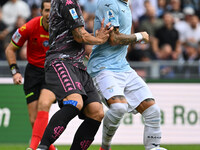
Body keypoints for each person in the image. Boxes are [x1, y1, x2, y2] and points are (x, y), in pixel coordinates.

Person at [87, 0, 164, 150]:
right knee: (118, 108)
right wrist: (139, 36)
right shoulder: (109, 3)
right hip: (103, 67)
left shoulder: (124, 5)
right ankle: (105, 147)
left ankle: (153, 148)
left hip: (123, 67)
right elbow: (114, 39)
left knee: (153, 111)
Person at [36, 0, 113, 149]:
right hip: (60, 60)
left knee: (96, 112)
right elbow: (79, 35)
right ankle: (42, 147)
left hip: (77, 63)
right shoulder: (67, 1)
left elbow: (75, 37)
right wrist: (99, 40)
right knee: (75, 102)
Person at [5, 1, 57, 150]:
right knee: (34, 121)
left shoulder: (61, 29)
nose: (49, 14)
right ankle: (50, 148)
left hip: (52, 72)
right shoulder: (29, 27)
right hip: (33, 72)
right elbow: (10, 49)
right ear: (41, 11)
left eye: (52, 10)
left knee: (44, 104)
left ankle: (32, 148)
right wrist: (15, 72)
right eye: (46, 10)